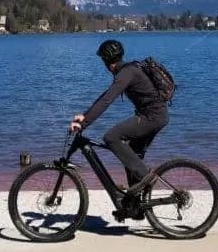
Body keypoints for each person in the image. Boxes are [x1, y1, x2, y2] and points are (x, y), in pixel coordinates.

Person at [69, 39, 168, 196]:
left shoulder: (125, 73)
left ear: (106, 60)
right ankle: (135, 205)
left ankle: (146, 177)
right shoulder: (128, 70)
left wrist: (85, 123)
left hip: (152, 116)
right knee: (131, 154)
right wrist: (85, 116)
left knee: (111, 137)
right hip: (155, 115)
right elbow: (106, 95)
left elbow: (107, 100)